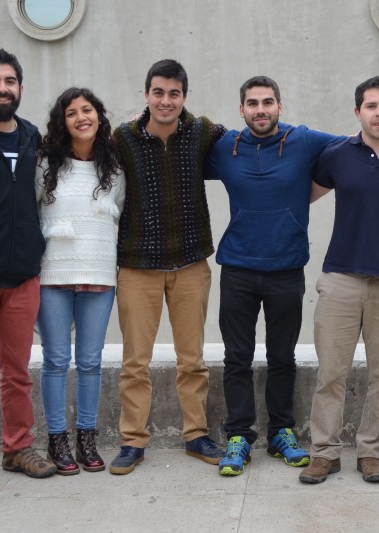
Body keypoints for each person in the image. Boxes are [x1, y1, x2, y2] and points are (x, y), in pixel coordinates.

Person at [204, 76, 379, 477]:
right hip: (295, 271)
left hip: (365, 277)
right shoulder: (328, 152)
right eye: (252, 103)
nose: (260, 109)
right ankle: (307, 448)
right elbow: (187, 147)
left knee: (373, 374)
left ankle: (355, 449)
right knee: (316, 371)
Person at [299, 76, 379, 484]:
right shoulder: (337, 155)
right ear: (357, 112)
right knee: (331, 374)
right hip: (341, 278)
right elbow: (302, 196)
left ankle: (371, 453)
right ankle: (324, 452)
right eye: (371, 106)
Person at [109, 59, 226, 475]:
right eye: (158, 92)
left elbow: (249, 142)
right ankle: (132, 441)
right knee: (134, 362)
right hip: (137, 265)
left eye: (174, 93)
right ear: (146, 95)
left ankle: (196, 434)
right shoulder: (122, 138)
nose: (165, 100)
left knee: (191, 359)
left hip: (191, 262)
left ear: (184, 97)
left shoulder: (201, 131)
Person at [0, 48, 56, 499]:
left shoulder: (30, 136)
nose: (3, 88)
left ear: (20, 88)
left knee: (17, 370)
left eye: (10, 81)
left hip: (22, 277)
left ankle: (17, 448)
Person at [35, 87, 126, 475]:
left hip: (100, 273)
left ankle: (87, 438)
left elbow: (116, 216)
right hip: (54, 272)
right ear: (63, 122)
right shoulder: (45, 164)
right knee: (56, 361)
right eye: (71, 113)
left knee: (90, 362)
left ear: (99, 117)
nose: (80, 117)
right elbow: (32, 210)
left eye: (87, 110)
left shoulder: (115, 169)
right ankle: (57, 440)